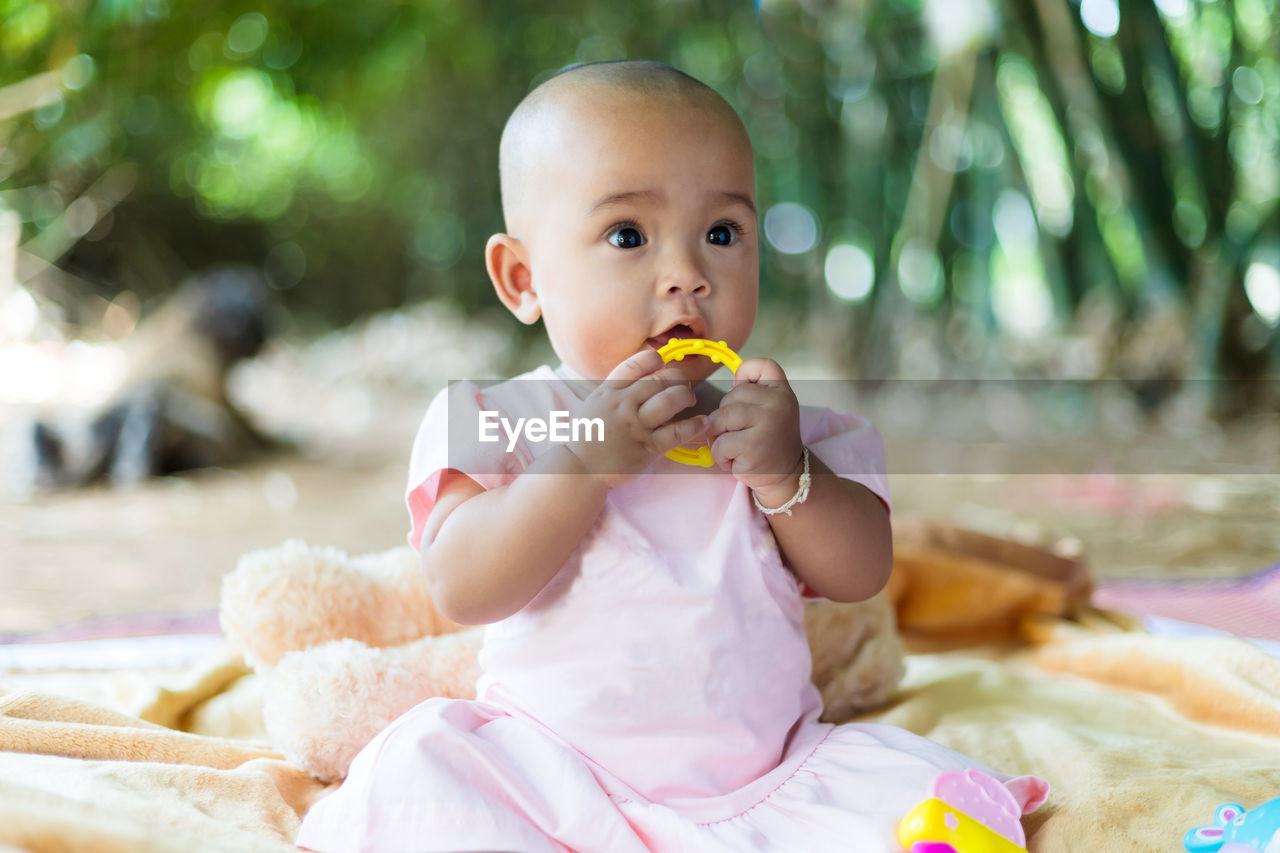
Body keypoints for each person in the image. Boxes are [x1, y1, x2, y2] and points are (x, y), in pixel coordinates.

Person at [296, 59, 1046, 853]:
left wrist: (788, 475)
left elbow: (861, 572)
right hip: (550, 780)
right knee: (428, 776)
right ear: (523, 278)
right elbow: (462, 584)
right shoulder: (499, 418)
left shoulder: (779, 426)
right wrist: (582, 460)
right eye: (628, 235)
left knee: (920, 806)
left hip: (769, 783)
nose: (688, 275)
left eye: (722, 233)